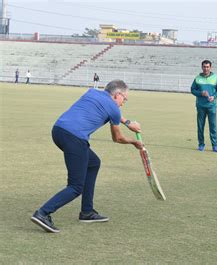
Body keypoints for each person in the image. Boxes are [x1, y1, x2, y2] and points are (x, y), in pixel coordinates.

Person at [31, 80, 144, 233]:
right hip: (74, 138)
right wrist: (134, 142)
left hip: (58, 131)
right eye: (125, 99)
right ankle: (43, 213)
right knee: (76, 186)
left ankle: (87, 212)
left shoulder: (93, 92)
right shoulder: (114, 109)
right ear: (118, 95)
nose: (124, 103)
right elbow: (117, 138)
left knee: (93, 163)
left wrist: (127, 122)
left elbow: (110, 110)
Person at [190, 60, 217, 152]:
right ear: (202, 67)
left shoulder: (215, 78)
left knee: (213, 126)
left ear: (210, 67)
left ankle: (215, 145)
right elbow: (192, 90)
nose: (206, 68)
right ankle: (201, 144)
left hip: (212, 106)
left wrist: (214, 96)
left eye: (207, 67)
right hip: (200, 106)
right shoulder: (197, 78)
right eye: (204, 66)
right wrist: (201, 93)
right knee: (200, 126)